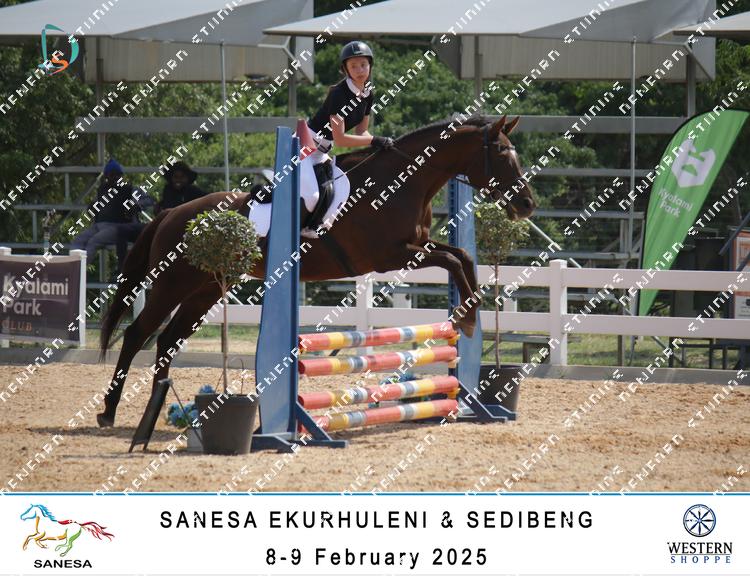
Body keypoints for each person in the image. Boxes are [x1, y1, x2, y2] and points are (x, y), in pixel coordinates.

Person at [302, 41, 394, 228]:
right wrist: (374, 140)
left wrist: (378, 145)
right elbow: (341, 139)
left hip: (322, 152)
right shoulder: (339, 94)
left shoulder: (368, 93)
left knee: (338, 190)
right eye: (354, 66)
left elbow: (362, 131)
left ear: (370, 65)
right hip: (305, 148)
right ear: (345, 69)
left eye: (363, 65)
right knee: (313, 197)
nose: (360, 70)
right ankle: (302, 231)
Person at [70, 159, 137, 264]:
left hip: (116, 227)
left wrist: (133, 207)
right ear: (106, 176)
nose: (116, 177)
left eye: (118, 175)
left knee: (93, 242)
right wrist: (92, 208)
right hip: (98, 225)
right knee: (78, 240)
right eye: (112, 175)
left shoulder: (127, 189)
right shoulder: (102, 189)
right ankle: (72, 267)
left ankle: (79, 270)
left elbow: (143, 203)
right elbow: (93, 208)